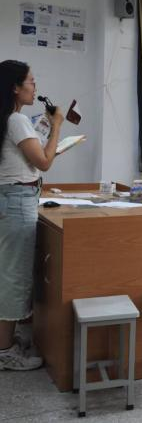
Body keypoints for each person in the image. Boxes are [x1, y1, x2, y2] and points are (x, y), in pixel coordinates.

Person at [1, 60, 64, 370]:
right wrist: (57, 127)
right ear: (15, 87)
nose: (35, 87)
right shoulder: (16, 120)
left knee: (8, 271)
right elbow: (44, 162)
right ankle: (5, 352)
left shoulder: (10, 119)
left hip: (10, 199)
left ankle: (6, 339)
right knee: (14, 276)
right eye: (31, 81)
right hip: (16, 201)